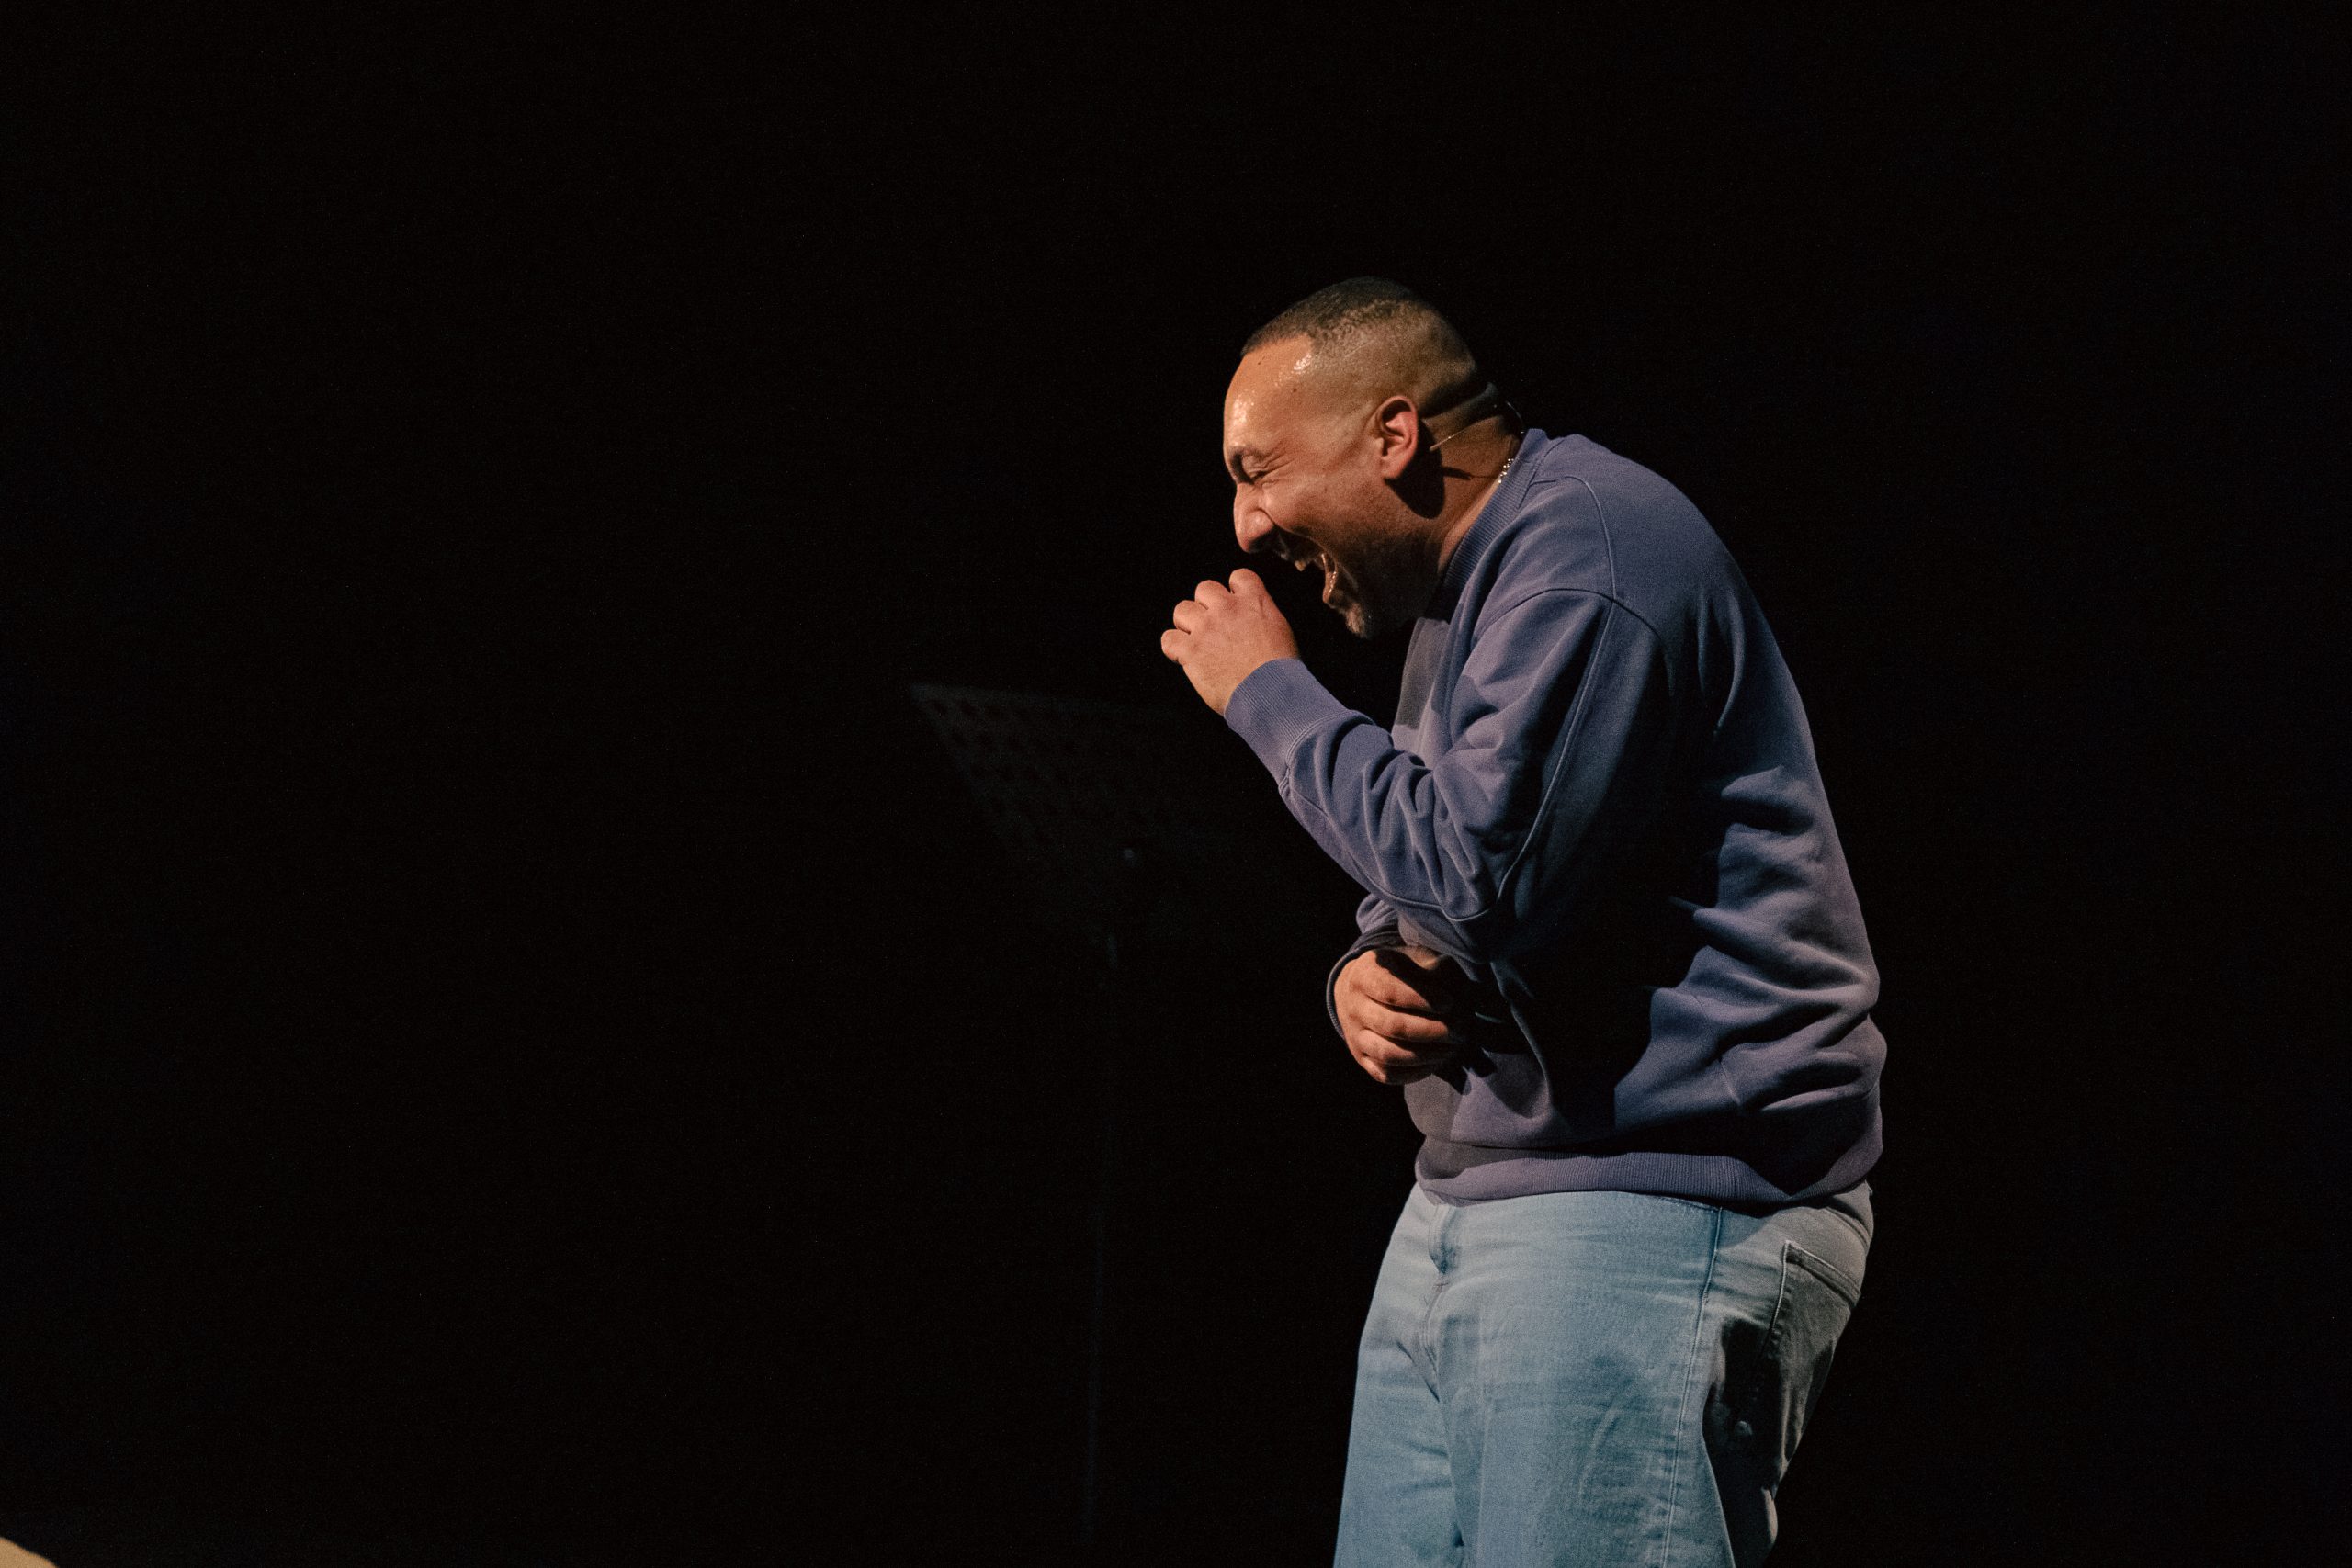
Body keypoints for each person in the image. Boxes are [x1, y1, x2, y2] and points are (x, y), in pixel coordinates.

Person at [1159, 278, 1885, 1567]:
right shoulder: (1473, 585)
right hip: (1481, 1194)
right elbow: (1440, 865)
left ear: (1394, 435)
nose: (1245, 522)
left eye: (1257, 471)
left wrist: (1269, 693)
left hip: (1652, 1204)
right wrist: (1368, 970)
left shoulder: (1590, 558)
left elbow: (1485, 884)